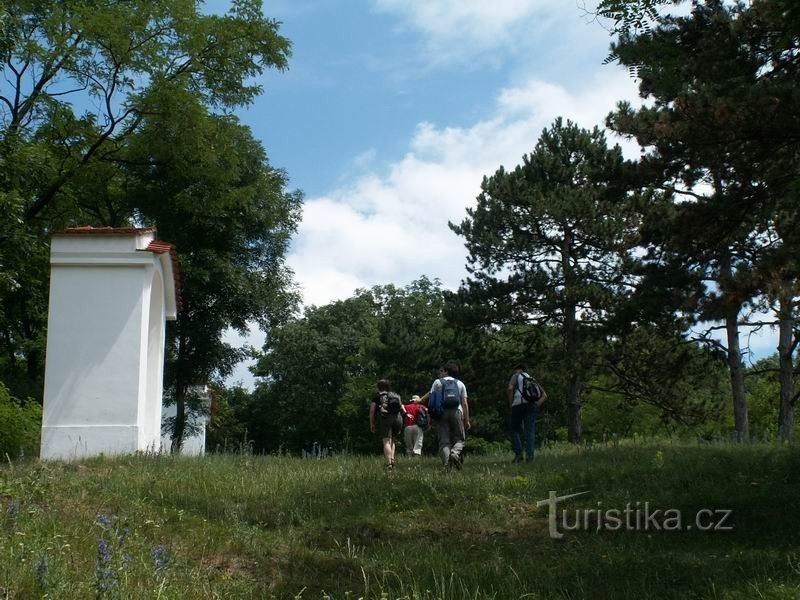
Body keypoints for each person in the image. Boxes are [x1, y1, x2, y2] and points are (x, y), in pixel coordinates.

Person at [421, 361, 469, 470]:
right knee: (460, 438)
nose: (441, 372)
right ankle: (455, 453)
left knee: (444, 441)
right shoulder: (460, 384)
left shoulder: (437, 382)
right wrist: (467, 420)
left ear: (446, 371)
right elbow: (465, 404)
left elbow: (431, 401)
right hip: (457, 412)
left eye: (443, 371)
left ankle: (448, 466)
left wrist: (431, 418)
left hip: (441, 413)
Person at [508, 362, 547, 463]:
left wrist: (511, 404)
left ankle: (519, 454)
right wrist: (536, 405)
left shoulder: (516, 375)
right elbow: (545, 395)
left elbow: (510, 388)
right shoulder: (531, 379)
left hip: (518, 404)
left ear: (518, 369)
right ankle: (530, 457)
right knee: (530, 431)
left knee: (513, 429)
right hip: (531, 406)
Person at [369, 379, 407, 470]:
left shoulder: (377, 396)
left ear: (378, 387)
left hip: (386, 418)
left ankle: (389, 464)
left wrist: (372, 423)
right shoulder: (395, 395)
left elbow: (372, 411)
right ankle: (392, 460)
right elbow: (403, 408)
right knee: (392, 440)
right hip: (398, 418)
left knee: (386, 441)